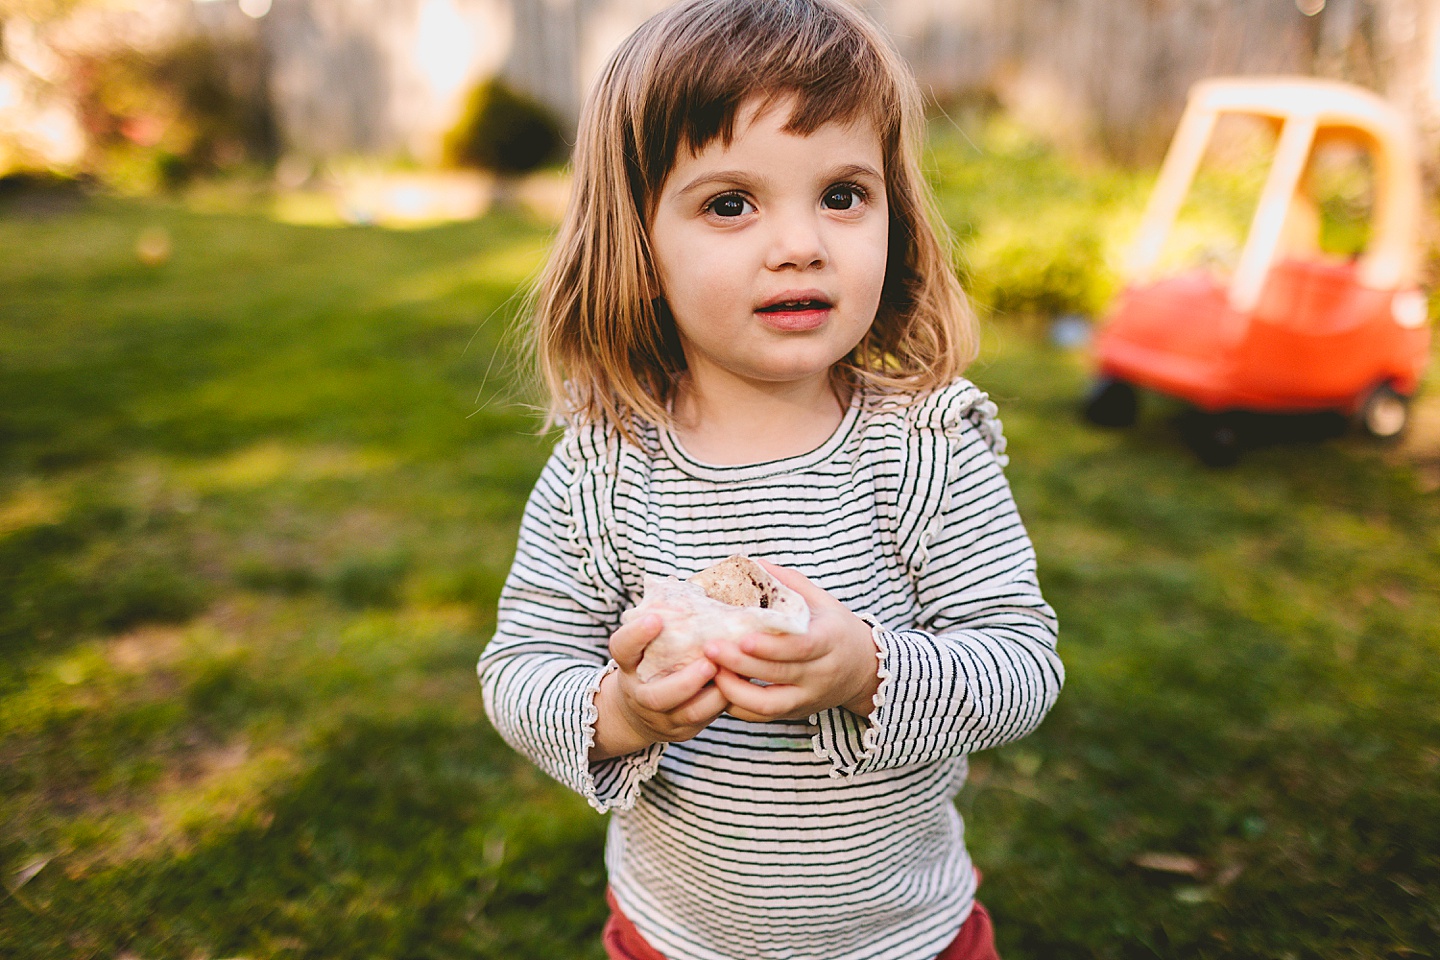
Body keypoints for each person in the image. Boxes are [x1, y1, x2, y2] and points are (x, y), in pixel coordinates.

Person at [478, 1, 1063, 957]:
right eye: (730, 204)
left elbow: (1021, 663)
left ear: (896, 216)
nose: (801, 244)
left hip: (903, 936)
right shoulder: (604, 463)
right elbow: (518, 670)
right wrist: (621, 712)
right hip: (676, 935)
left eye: (842, 194)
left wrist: (866, 670)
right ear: (641, 245)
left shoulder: (925, 448)